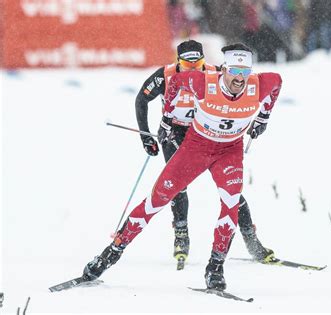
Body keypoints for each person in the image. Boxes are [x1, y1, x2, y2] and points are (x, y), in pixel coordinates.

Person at [83, 43, 283, 290]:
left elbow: (277, 82)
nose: (239, 78)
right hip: (195, 147)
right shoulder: (203, 81)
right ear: (224, 70)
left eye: (245, 71)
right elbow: (174, 85)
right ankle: (110, 254)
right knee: (157, 199)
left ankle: (215, 268)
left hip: (229, 152)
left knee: (231, 203)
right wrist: (166, 121)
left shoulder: (258, 84)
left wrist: (263, 118)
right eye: (234, 71)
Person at [135, 39, 274, 268]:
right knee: (176, 187)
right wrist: (146, 135)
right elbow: (142, 99)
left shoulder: (215, 73)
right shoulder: (166, 75)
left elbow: (242, 88)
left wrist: (256, 119)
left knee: (231, 192)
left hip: (209, 135)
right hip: (176, 134)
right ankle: (181, 236)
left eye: (197, 62)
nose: (193, 68)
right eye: (187, 64)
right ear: (177, 61)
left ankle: (252, 240)